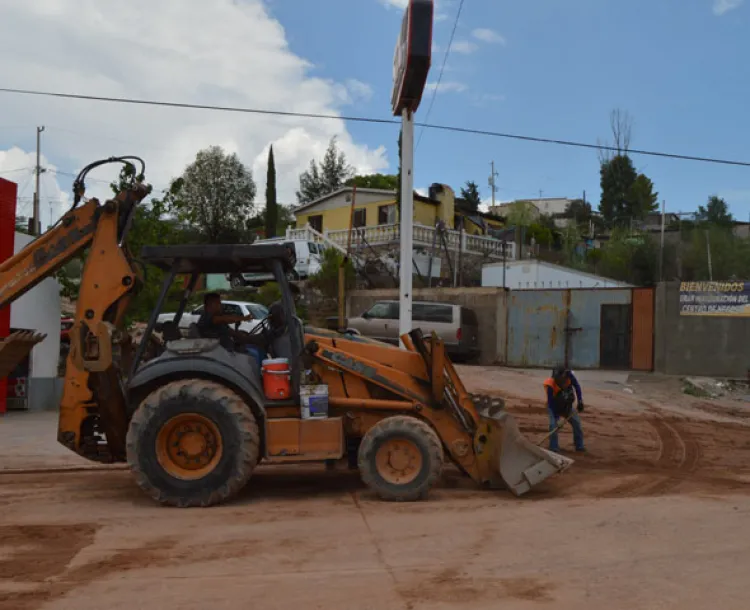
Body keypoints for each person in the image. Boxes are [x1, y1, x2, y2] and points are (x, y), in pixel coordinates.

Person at [196, 292, 264, 351]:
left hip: (228, 348)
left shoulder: (216, 318)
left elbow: (228, 330)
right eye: (218, 303)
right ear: (211, 304)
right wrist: (243, 318)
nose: (220, 305)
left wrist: (242, 335)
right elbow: (225, 319)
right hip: (223, 351)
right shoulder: (207, 317)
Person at [543, 365, 585, 453]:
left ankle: (579, 446)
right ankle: (553, 447)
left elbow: (577, 387)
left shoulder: (569, 376)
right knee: (553, 425)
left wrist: (580, 401)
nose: (559, 381)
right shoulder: (550, 384)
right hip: (554, 406)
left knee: (577, 423)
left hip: (567, 406)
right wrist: (557, 418)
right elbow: (551, 403)